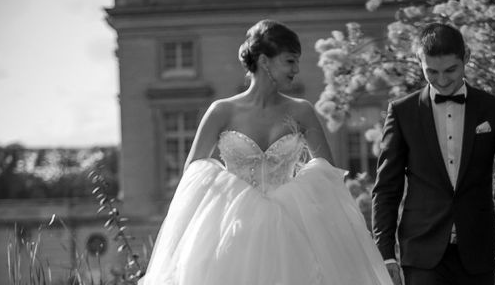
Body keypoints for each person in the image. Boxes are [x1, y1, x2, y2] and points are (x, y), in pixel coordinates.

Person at [140, 19, 394, 285]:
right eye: (289, 61)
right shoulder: (222, 111)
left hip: (291, 231)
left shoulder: (301, 111)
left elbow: (326, 174)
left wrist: (297, 197)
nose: (297, 69)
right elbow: (193, 175)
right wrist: (230, 192)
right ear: (264, 61)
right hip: (233, 231)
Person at [372, 22, 495, 285]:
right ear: (419, 61)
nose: (443, 80)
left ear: (466, 57)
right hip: (421, 252)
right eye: (431, 72)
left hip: (479, 250)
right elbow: (386, 189)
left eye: (451, 70)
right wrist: (385, 254)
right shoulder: (402, 112)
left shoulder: (493, 109)